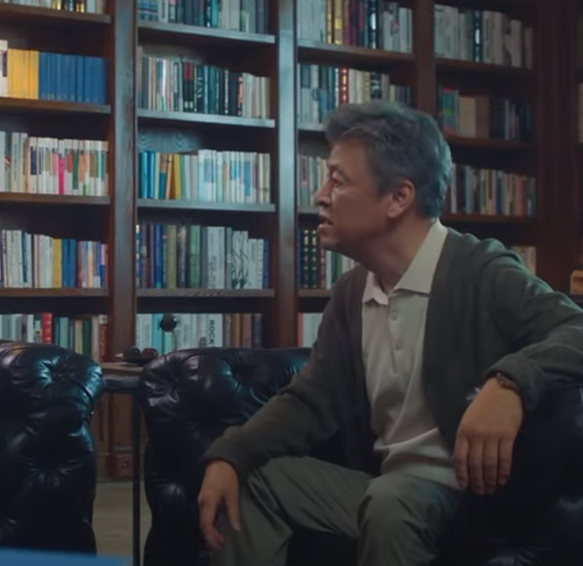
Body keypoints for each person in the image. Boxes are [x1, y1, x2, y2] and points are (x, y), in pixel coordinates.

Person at [196, 100, 583, 566]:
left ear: (398, 197)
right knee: (251, 479)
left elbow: (575, 327)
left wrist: (510, 383)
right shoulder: (351, 291)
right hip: (383, 490)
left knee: (391, 502)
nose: (320, 196)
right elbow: (310, 400)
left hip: (466, 501)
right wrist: (232, 453)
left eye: (338, 181)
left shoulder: (481, 271)